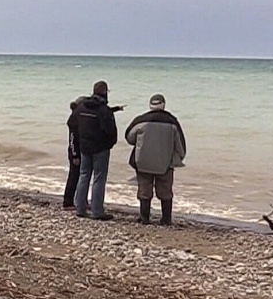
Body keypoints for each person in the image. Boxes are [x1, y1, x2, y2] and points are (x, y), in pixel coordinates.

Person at [125, 94, 187, 225]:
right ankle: (166, 219)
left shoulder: (140, 120)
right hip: (165, 164)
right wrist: (176, 159)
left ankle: (144, 217)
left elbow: (129, 138)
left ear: (150, 105)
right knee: (165, 192)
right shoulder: (172, 122)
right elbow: (180, 147)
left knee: (144, 190)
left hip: (143, 162)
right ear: (164, 105)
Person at [69, 80, 118, 220]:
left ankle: (80, 208)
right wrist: (110, 144)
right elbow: (111, 131)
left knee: (84, 175)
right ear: (105, 93)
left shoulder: (81, 107)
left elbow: (72, 123)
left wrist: (80, 139)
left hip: (85, 147)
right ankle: (97, 211)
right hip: (100, 148)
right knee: (99, 178)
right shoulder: (103, 110)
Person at [62, 97, 85, 209]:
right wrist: (75, 154)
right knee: (74, 176)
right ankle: (67, 202)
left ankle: (80, 199)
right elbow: (72, 140)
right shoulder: (73, 120)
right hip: (74, 151)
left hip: (79, 150)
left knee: (81, 177)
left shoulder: (78, 117)